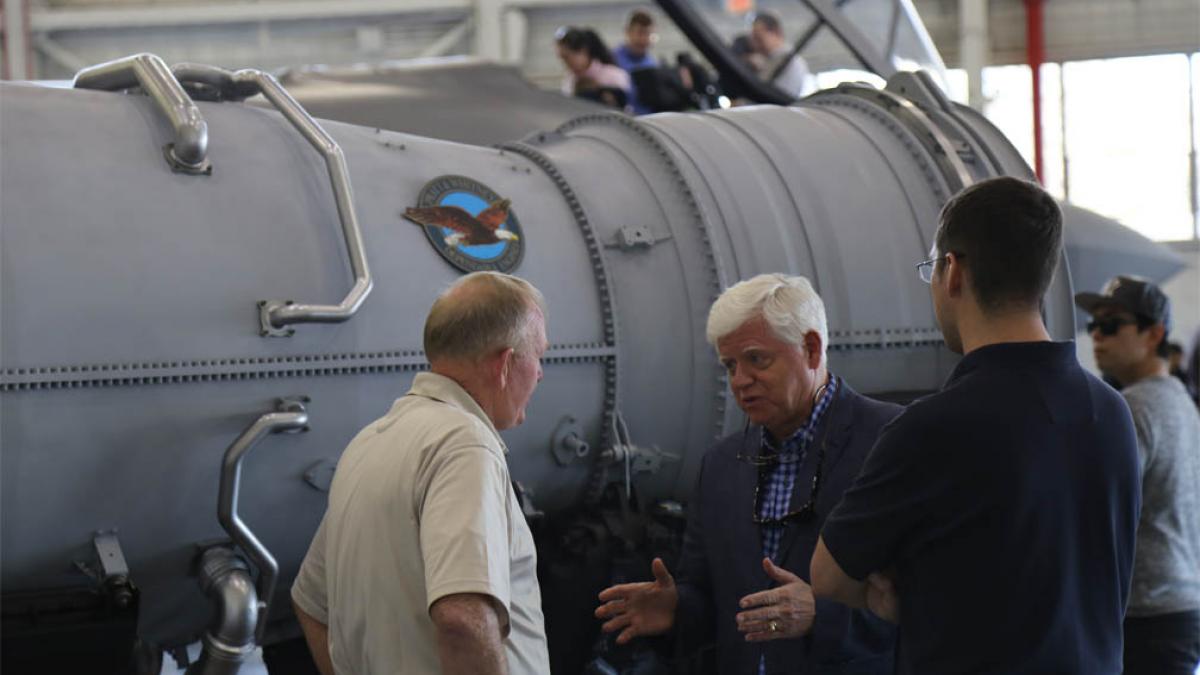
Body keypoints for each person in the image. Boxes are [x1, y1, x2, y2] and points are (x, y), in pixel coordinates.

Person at [811, 176, 1142, 674]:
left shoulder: (932, 428)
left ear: (953, 271)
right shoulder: (1112, 412)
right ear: (1042, 277)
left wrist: (908, 595)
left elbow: (828, 575)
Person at [595, 274, 899, 674]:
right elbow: (709, 595)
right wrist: (677, 609)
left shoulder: (891, 441)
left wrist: (822, 616)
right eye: (730, 365)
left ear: (810, 348)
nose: (740, 381)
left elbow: (941, 599)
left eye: (757, 359)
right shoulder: (722, 465)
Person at [291, 271, 551, 675]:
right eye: (539, 357)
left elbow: (309, 604)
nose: (540, 373)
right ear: (504, 364)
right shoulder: (465, 443)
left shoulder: (370, 441)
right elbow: (463, 619)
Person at [1075, 276, 1200, 675]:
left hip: (1145, 614)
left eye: (1111, 324)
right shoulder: (1180, 399)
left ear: (1154, 333)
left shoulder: (1130, 408)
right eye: (1093, 325)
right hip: (1180, 605)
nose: (1097, 335)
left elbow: (1096, 509)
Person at [556, 26, 632, 110]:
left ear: (583, 50)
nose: (566, 64)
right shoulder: (570, 80)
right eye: (562, 59)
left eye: (567, 57)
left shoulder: (615, 76)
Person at [749, 11, 816, 99]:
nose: (755, 45)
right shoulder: (781, 58)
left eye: (759, 39)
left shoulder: (783, 59)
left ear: (776, 32)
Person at [613, 8, 659, 114]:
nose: (644, 39)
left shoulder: (652, 64)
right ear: (627, 32)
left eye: (648, 34)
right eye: (640, 33)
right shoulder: (613, 60)